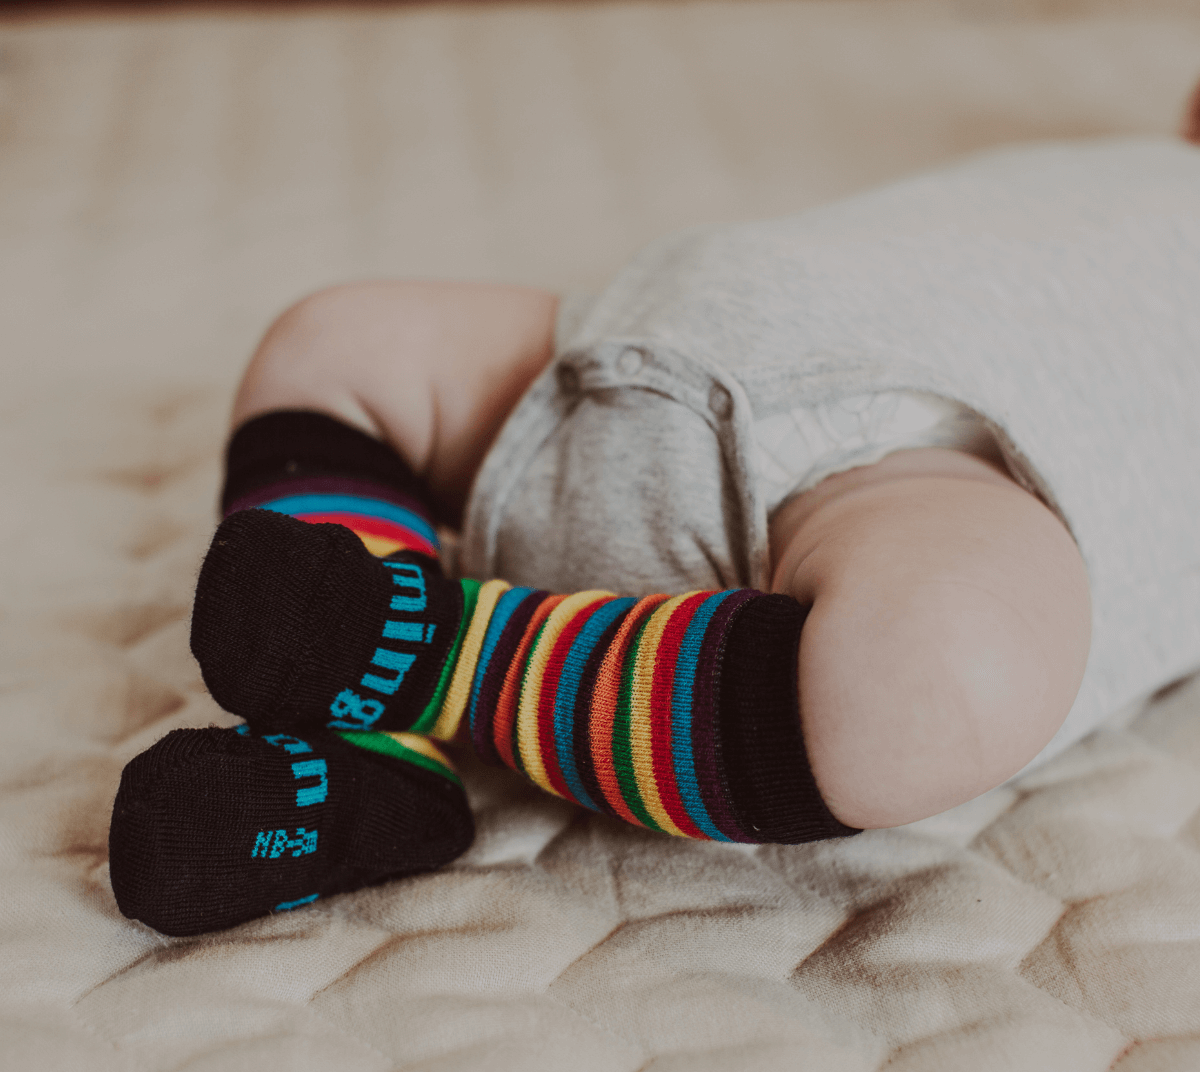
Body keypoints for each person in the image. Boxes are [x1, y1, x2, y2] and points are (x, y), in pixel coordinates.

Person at [108, 100, 1200, 936]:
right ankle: (371, 772)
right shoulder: (1120, 155)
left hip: (920, 480)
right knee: (331, 343)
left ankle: (433, 653)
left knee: (943, 677)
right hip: (638, 348)